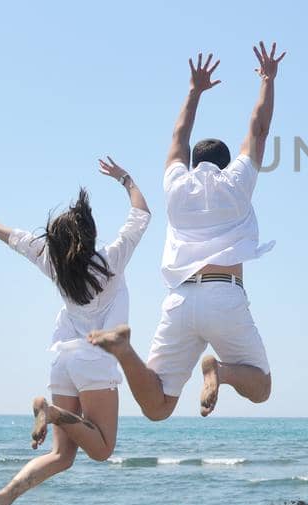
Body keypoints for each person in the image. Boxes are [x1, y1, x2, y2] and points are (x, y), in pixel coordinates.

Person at [0, 157, 150, 505]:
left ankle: (1, 499)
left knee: (63, 456)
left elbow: (13, 237)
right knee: (103, 449)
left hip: (62, 359)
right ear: (89, 236)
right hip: (95, 359)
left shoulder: (52, 262)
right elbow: (141, 213)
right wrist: (125, 179)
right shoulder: (111, 262)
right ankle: (53, 412)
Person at [89, 43, 285, 419]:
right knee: (261, 387)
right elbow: (259, 128)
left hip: (179, 300)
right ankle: (221, 372)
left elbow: (178, 135)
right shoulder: (237, 184)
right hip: (223, 296)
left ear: (194, 164)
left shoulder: (175, 185)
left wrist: (194, 91)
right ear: (228, 166)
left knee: (158, 406)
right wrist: (267, 81)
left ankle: (124, 350)